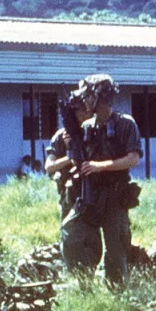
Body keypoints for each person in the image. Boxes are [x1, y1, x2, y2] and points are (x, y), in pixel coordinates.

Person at [57, 74, 142, 287]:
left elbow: (133, 158)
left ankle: (116, 295)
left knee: (116, 250)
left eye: (88, 96)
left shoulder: (125, 124)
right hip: (91, 196)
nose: (84, 101)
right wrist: (71, 147)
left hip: (115, 196)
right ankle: (83, 283)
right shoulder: (86, 127)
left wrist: (99, 166)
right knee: (72, 234)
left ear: (99, 97)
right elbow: (80, 163)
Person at [45, 91, 94, 219]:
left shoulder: (95, 132)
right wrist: (70, 155)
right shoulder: (61, 136)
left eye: (87, 111)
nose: (84, 115)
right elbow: (49, 166)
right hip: (69, 194)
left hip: (95, 191)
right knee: (69, 233)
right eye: (80, 111)